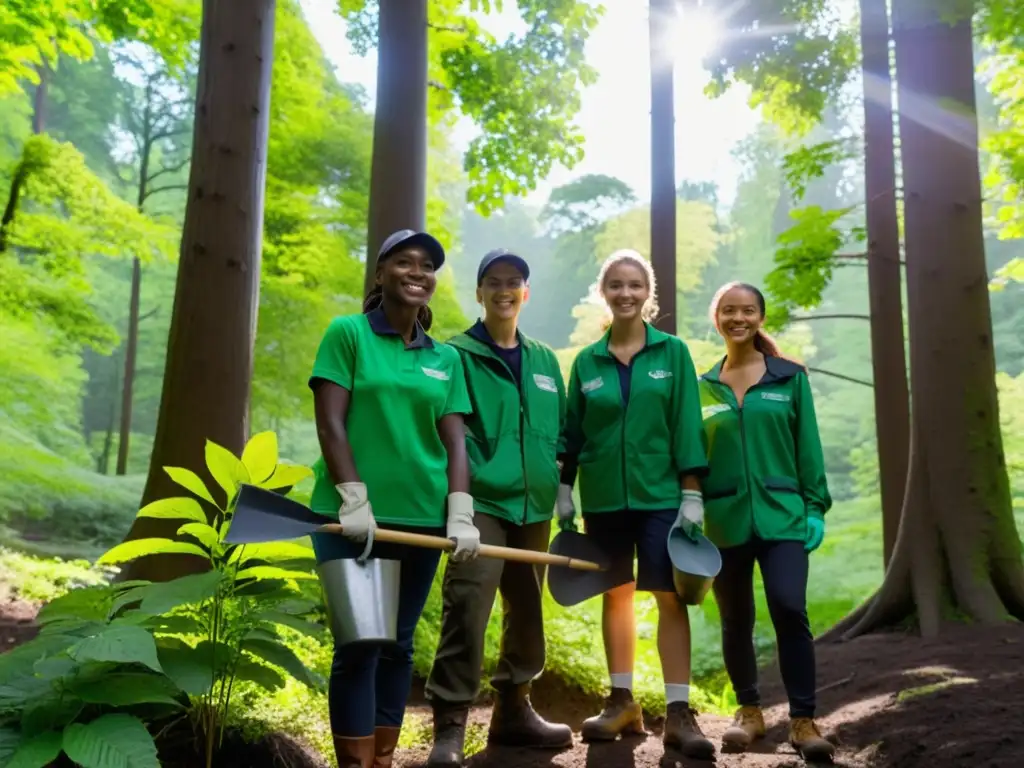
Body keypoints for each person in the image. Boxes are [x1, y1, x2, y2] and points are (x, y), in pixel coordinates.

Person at [308, 229, 482, 768]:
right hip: (350, 521)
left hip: (422, 521)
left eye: (427, 265)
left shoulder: (446, 359)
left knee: (400, 644)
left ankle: (382, 760)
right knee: (361, 643)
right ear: (380, 274)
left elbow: (455, 440)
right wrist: (353, 498)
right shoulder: (348, 335)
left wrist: (460, 512)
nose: (417, 272)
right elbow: (331, 422)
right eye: (404, 262)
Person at [557, 249, 715, 759]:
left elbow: (687, 423)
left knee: (668, 596)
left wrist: (691, 493)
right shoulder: (587, 361)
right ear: (603, 292)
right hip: (603, 497)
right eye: (616, 285)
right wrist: (565, 486)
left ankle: (678, 711)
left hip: (660, 495)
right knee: (616, 593)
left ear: (648, 294)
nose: (626, 293)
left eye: (635, 285)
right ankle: (622, 700)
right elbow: (573, 433)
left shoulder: (672, 354)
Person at [425, 249, 572, 767]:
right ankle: (449, 724)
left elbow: (561, 432)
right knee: (467, 605)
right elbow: (447, 429)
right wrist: (458, 504)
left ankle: (515, 709)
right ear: (479, 292)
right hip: (481, 501)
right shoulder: (456, 354)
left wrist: (561, 484)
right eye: (494, 281)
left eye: (515, 281)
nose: (505, 290)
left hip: (534, 506)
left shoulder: (545, 360)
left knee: (528, 611)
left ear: (525, 293)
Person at [697, 281, 834, 762]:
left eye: (748, 310)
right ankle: (749, 713)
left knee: (788, 607)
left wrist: (815, 508)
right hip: (723, 520)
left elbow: (807, 446)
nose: (739, 318)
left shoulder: (789, 377)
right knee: (736, 620)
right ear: (718, 319)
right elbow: (694, 456)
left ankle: (803, 720)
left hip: (782, 517)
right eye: (729, 311)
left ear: (760, 317)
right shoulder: (702, 385)